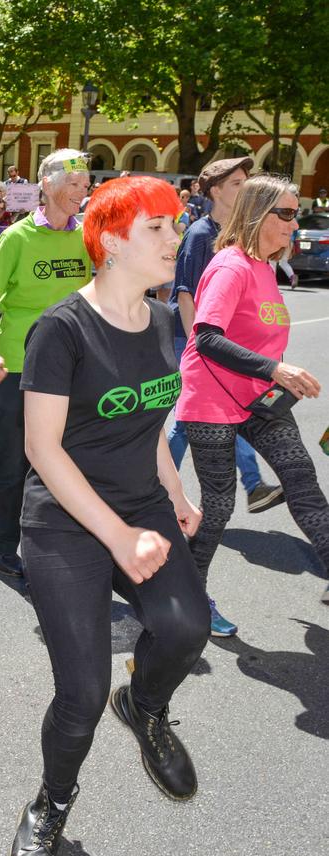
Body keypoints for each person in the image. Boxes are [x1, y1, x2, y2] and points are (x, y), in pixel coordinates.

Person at [9, 177, 210, 856]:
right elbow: (43, 447)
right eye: (158, 228)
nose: (174, 239)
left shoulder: (161, 322)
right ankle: (49, 805)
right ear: (114, 238)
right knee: (83, 692)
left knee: (187, 627)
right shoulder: (61, 330)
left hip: (143, 504)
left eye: (177, 226)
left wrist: (174, 490)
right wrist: (117, 536)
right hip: (66, 520)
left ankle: (146, 707)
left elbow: (146, 415)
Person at [177, 174, 329, 623]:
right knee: (220, 505)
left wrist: (275, 375)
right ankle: (188, 597)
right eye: (284, 213)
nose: (292, 222)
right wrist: (276, 369)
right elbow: (206, 338)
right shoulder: (231, 265)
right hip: (212, 399)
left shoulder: (264, 267)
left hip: (260, 401)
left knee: (302, 479)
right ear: (258, 214)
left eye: (295, 212)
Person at [166, 157, 283, 637]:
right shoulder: (200, 234)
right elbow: (186, 294)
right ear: (215, 189)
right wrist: (203, 351)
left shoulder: (236, 236)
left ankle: (153, 489)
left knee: (193, 425)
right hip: (200, 347)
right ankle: (154, 491)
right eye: (237, 182)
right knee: (187, 423)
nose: (245, 187)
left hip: (222, 356)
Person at [0, 148, 92, 579]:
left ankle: (57, 540)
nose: (83, 189)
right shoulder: (16, 238)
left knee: (69, 458)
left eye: (85, 182)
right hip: (20, 367)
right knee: (15, 462)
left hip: (74, 368)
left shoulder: (86, 236)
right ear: (48, 185)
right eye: (74, 182)